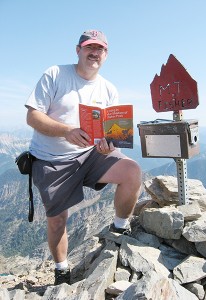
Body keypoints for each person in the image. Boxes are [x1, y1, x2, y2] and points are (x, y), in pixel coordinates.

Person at [25, 29, 142, 285]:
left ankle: (119, 228)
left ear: (106, 54)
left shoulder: (109, 89)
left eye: (100, 49)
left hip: (90, 154)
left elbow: (111, 133)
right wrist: (67, 131)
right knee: (57, 221)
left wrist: (109, 146)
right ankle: (61, 269)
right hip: (51, 159)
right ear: (78, 50)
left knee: (132, 171)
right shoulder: (55, 74)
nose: (94, 53)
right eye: (89, 47)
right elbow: (32, 116)